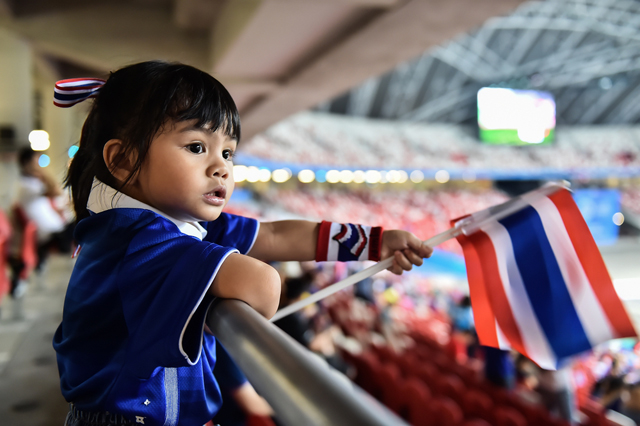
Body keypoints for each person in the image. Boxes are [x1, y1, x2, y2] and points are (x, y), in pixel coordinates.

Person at [52, 60, 433, 426]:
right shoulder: (139, 238)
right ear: (122, 160)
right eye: (197, 147)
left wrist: (374, 242)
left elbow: (274, 235)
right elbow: (262, 285)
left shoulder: (166, 222)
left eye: (228, 152)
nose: (221, 167)